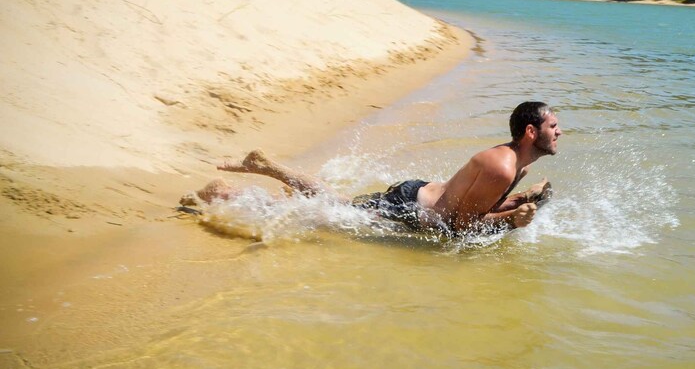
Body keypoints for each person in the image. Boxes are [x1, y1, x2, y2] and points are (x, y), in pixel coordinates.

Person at [182, 101, 560, 234]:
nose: (559, 132)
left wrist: (519, 203)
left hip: (417, 199)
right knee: (324, 214)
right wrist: (512, 219)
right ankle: (224, 195)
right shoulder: (503, 167)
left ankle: (269, 169)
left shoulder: (515, 166)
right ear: (531, 131)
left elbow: (473, 210)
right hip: (410, 210)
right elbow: (460, 227)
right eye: (553, 127)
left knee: (335, 204)